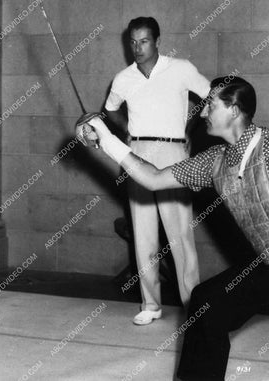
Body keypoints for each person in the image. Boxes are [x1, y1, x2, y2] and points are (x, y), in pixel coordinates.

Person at [79, 76, 268, 380]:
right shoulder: (213, 163)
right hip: (265, 265)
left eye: (211, 105)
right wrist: (105, 139)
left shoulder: (268, 147)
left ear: (234, 110)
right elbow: (153, 178)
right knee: (208, 303)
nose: (203, 112)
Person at [104, 17, 210, 325]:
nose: (137, 48)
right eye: (133, 42)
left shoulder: (181, 68)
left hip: (174, 152)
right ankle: (151, 304)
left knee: (180, 236)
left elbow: (210, 96)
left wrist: (190, 129)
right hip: (138, 153)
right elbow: (110, 109)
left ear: (158, 41)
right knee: (144, 234)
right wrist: (128, 133)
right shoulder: (123, 78)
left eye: (144, 41)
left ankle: (194, 306)